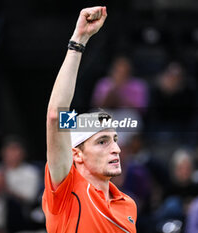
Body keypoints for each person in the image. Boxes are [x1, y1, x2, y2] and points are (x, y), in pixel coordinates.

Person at [43, 6, 137, 233]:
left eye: (114, 139)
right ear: (77, 154)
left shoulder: (128, 205)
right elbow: (56, 116)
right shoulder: (66, 190)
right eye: (102, 141)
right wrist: (79, 40)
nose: (116, 148)